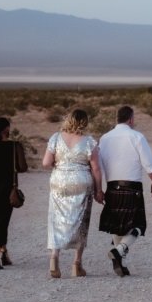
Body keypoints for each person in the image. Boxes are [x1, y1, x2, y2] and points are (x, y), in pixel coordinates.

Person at [41, 108, 104, 279]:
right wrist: (99, 190)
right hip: (81, 180)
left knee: (56, 219)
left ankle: (54, 257)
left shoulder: (55, 138)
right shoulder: (89, 142)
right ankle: (77, 263)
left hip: (59, 181)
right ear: (85, 122)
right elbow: (96, 168)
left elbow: (46, 163)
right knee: (81, 221)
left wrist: (60, 165)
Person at [96, 105, 152, 275]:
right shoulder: (137, 136)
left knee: (118, 226)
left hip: (112, 186)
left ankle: (119, 263)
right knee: (138, 224)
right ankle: (120, 249)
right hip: (132, 187)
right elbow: (149, 164)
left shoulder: (105, 138)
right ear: (130, 119)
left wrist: (99, 189)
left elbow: (98, 167)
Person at [0, 117, 29, 269]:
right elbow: (23, 167)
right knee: (3, 219)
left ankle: (4, 253)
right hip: (8, 187)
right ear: (6, 130)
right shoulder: (15, 146)